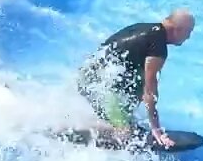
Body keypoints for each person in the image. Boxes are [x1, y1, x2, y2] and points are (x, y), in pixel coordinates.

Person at [75, 8, 195, 149]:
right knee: (126, 135)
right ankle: (95, 133)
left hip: (87, 77)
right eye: (189, 32)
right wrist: (156, 129)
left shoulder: (145, 29)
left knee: (138, 80)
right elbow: (150, 91)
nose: (188, 37)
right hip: (99, 86)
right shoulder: (157, 46)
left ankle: (114, 120)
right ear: (178, 30)